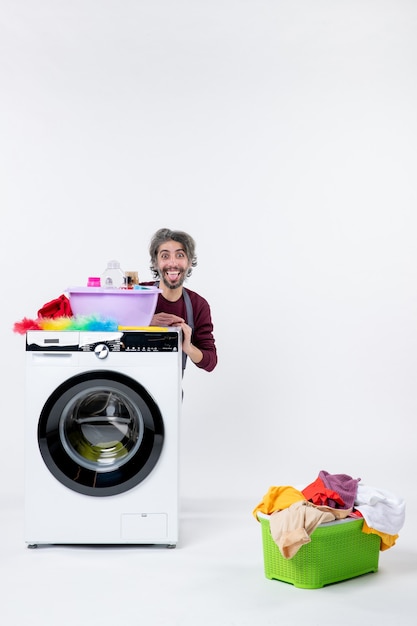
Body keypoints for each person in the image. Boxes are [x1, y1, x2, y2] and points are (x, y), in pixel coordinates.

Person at [141, 228, 217, 374]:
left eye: (180, 255)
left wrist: (187, 346)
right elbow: (101, 323)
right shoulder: (137, 294)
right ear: (156, 263)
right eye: (165, 256)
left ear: (189, 262)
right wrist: (145, 320)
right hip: (126, 390)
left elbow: (210, 362)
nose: (173, 262)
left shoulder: (198, 305)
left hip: (169, 391)